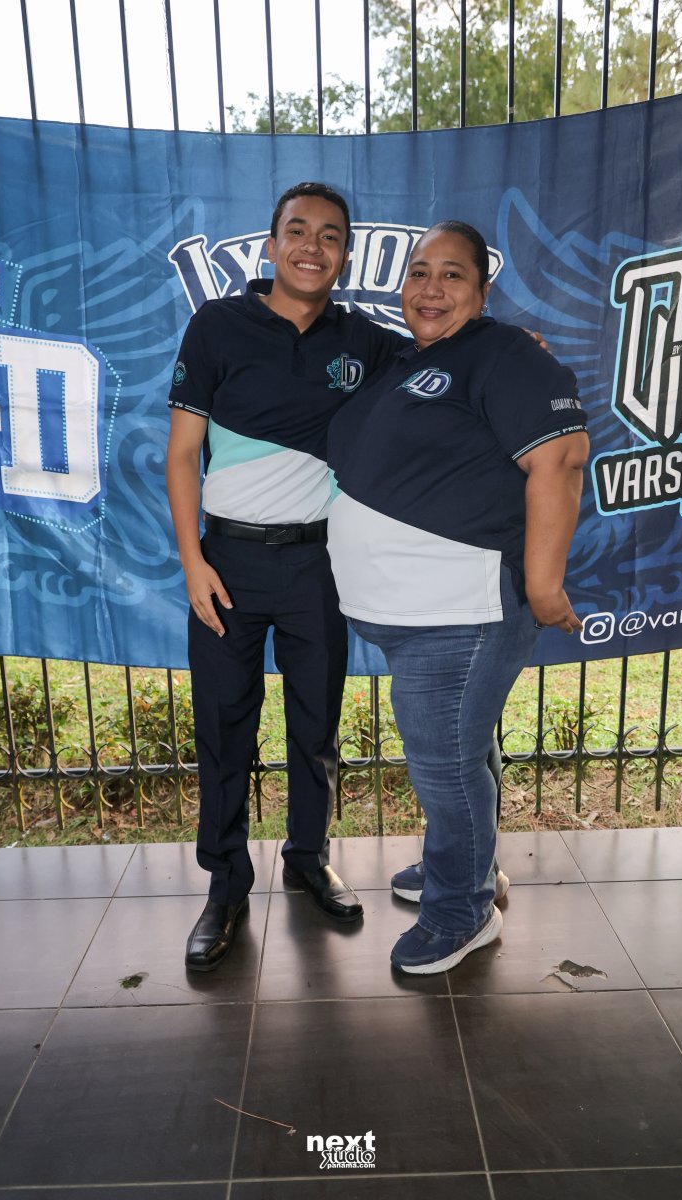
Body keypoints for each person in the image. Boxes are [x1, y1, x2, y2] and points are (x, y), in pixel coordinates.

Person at [326, 220, 589, 975]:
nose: (431, 288)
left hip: (463, 613)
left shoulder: (504, 354)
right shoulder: (406, 359)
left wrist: (543, 587)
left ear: (482, 289)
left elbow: (561, 460)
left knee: (445, 764)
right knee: (464, 750)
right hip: (416, 613)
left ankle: (460, 910)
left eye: (452, 275)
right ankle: (468, 863)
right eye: (419, 273)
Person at [166, 183, 405, 971]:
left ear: (345, 255)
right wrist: (193, 561)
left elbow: (448, 356)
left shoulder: (365, 342)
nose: (313, 246)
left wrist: (516, 347)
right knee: (223, 726)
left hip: (317, 564)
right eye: (297, 231)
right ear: (272, 247)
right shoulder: (217, 326)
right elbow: (181, 455)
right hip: (227, 563)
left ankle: (308, 858)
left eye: (330, 235)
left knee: (316, 723)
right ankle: (225, 884)